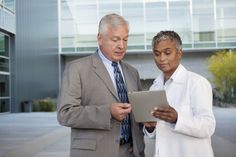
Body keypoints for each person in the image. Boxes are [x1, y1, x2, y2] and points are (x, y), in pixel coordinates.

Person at [57, 13, 145, 157]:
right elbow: (65, 114)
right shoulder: (77, 69)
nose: (121, 46)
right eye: (115, 39)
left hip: (131, 152)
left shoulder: (132, 72)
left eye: (125, 39)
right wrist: (107, 112)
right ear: (100, 39)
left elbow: (138, 115)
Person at [144, 31, 216, 157]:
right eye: (157, 54)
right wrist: (151, 127)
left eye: (167, 53)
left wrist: (177, 119)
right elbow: (159, 134)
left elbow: (208, 126)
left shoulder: (197, 83)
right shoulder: (154, 87)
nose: (161, 58)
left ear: (179, 53)